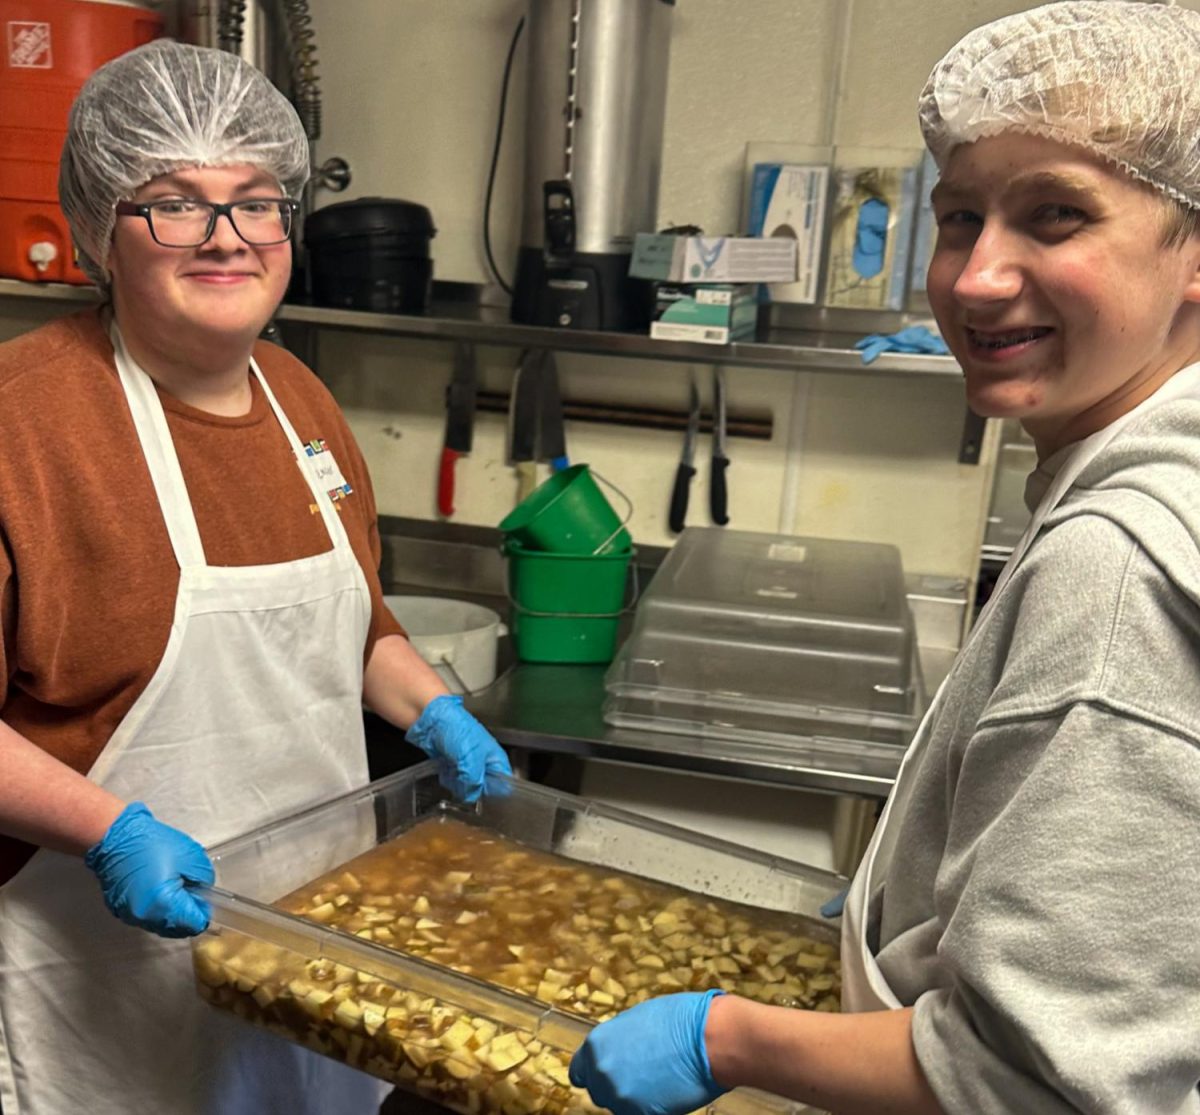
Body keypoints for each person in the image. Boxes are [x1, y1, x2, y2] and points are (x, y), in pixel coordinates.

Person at [569, 4, 1200, 1113]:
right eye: (959, 218)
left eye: (1056, 215)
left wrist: (728, 1038)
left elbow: (1025, 1081)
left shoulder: (1118, 569)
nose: (975, 279)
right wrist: (901, 910)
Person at [0, 39, 511, 1115]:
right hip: (101, 969)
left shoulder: (299, 396)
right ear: (102, 226)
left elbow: (358, 628)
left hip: (313, 946)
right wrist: (111, 830)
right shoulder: (24, 420)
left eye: (256, 201)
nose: (227, 238)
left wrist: (435, 710)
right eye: (176, 203)